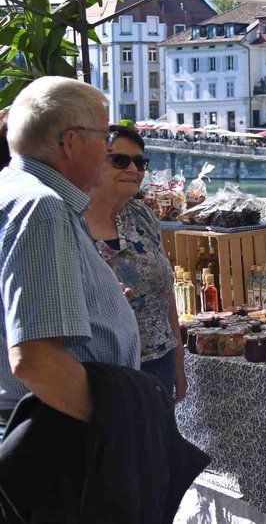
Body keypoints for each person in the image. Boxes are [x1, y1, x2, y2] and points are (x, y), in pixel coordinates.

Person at [0, 77, 141, 435]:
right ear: (71, 142)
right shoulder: (42, 208)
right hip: (59, 434)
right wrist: (119, 425)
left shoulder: (14, 192)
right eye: (105, 137)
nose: (108, 150)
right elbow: (36, 360)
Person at [84, 125, 186, 401]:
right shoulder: (69, 220)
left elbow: (165, 292)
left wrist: (177, 357)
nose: (133, 169)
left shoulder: (143, 216)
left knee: (156, 442)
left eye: (140, 162)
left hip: (157, 362)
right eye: (120, 160)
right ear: (93, 161)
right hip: (99, 369)